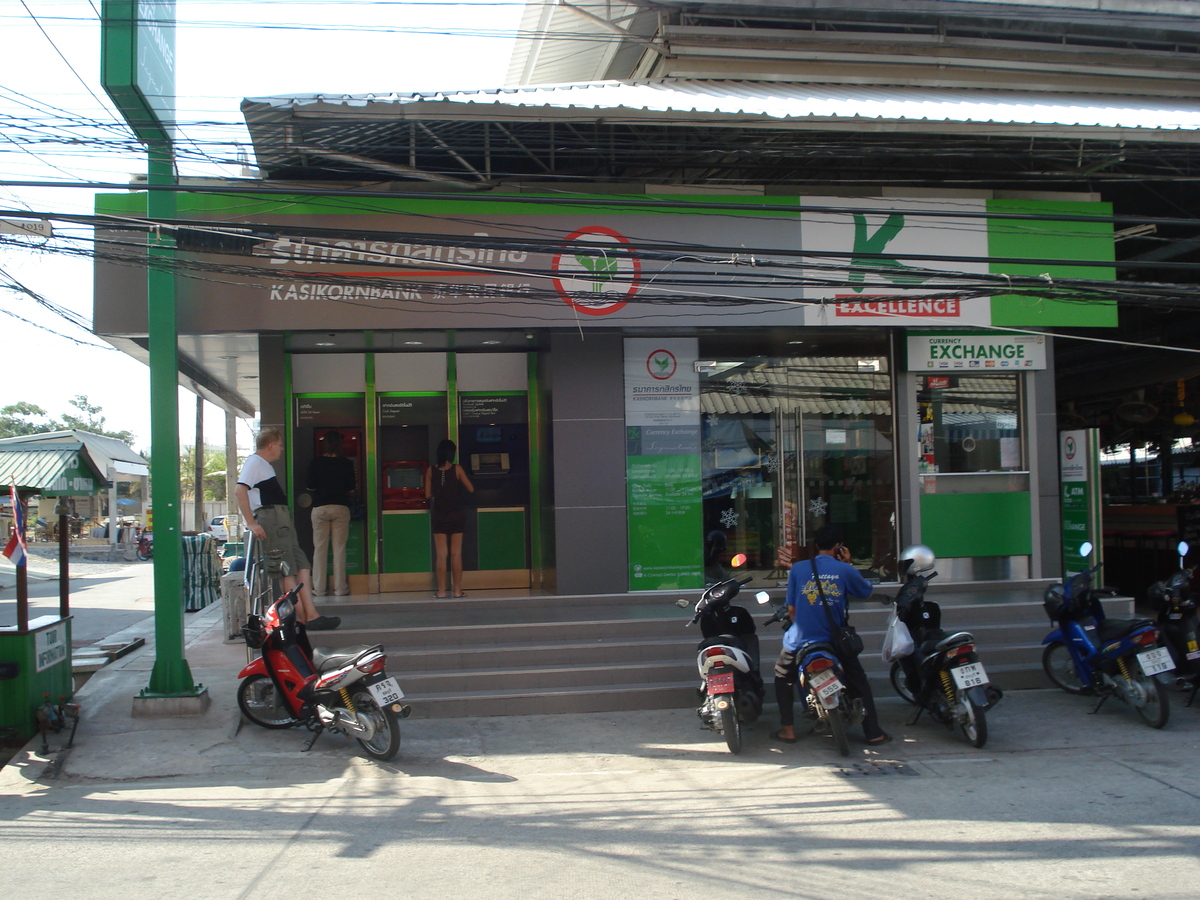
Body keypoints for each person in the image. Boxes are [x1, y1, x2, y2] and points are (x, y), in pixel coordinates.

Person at [770, 524, 890, 746]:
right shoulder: (845, 570)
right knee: (858, 682)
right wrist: (846, 564)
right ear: (838, 546)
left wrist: (804, 626)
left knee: (782, 677)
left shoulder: (798, 568)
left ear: (816, 546)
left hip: (800, 640)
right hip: (835, 642)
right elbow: (865, 591)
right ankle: (873, 733)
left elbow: (792, 610)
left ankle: (788, 730)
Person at [235, 428, 340, 630]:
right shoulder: (255, 462)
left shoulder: (262, 465)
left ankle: (311, 614)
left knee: (301, 564)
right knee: (285, 569)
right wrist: (251, 522)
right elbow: (240, 490)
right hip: (270, 517)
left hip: (279, 517)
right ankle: (301, 617)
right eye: (280, 445)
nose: (282, 449)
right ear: (271, 445)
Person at [305, 430, 356, 597]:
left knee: (320, 549)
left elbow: (309, 487)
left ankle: (319, 589)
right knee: (339, 549)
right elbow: (351, 488)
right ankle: (340, 588)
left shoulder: (316, 462)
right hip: (341, 508)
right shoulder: (347, 463)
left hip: (320, 508)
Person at [424, 438, 474, 599]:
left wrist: (438, 491)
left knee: (441, 555)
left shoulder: (430, 470)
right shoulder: (457, 469)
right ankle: (458, 591)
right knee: (456, 554)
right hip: (456, 515)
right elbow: (471, 488)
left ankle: (441, 591)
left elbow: (427, 494)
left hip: (439, 515)